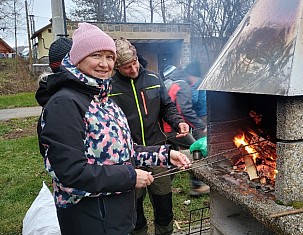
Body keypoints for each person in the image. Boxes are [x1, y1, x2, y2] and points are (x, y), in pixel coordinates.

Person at [36, 22, 191, 235]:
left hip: (115, 217)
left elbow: (124, 152)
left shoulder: (103, 100)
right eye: (96, 55)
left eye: (109, 57)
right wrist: (129, 177)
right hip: (90, 219)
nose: (104, 64)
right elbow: (69, 173)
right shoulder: (65, 103)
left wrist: (165, 154)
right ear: (78, 59)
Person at [110, 37, 189, 235]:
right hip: (129, 158)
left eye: (134, 63)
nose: (133, 69)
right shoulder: (109, 88)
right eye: (127, 67)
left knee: (164, 205)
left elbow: (167, 107)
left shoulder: (154, 79)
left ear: (138, 58)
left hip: (158, 152)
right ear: (116, 67)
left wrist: (178, 121)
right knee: (133, 210)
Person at [163, 61, 210, 196]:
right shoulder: (183, 85)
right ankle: (197, 186)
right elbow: (185, 111)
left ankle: (167, 187)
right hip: (174, 129)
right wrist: (201, 126)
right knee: (196, 149)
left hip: (166, 128)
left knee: (170, 154)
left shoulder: (174, 83)